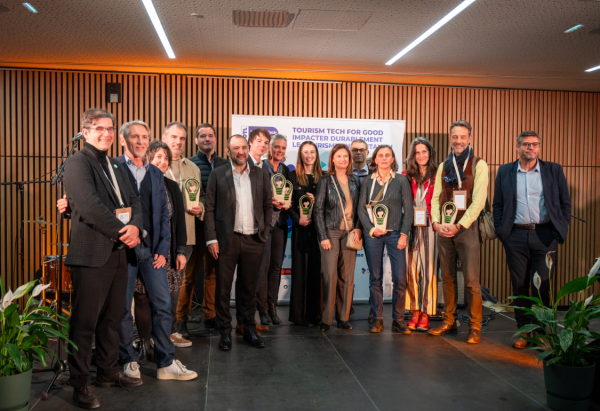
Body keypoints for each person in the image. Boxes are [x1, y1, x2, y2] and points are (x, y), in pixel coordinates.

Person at [62, 109, 143, 409]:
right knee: (85, 322)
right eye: (99, 128)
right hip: (92, 255)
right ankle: (81, 383)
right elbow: (90, 206)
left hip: (118, 253)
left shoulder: (116, 165)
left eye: (110, 129)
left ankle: (108, 371)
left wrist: (137, 228)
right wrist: (125, 231)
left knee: (112, 318)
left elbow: (134, 200)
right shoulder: (77, 162)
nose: (106, 133)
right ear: (85, 131)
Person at [114, 121, 197, 381]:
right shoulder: (113, 168)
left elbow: (164, 216)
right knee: (123, 309)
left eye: (144, 137)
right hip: (123, 250)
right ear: (124, 139)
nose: (140, 141)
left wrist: (163, 249)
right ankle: (129, 360)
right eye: (135, 136)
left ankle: (165, 362)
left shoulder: (156, 174)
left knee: (162, 304)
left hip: (152, 253)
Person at [493, 130, 571, 349]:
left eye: (535, 144)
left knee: (542, 287)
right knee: (519, 286)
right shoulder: (505, 171)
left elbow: (565, 202)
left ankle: (539, 331)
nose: (531, 148)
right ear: (517, 147)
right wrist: (502, 231)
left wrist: (560, 226)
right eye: (526, 144)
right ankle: (522, 332)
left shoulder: (553, 170)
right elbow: (498, 204)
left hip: (545, 236)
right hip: (515, 236)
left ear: (539, 147)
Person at [204, 135, 273, 350]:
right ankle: (224, 332)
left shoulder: (260, 174)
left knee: (248, 287)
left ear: (248, 147)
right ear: (228, 151)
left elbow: (268, 205)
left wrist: (266, 231)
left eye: (244, 147)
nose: (241, 151)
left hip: (254, 239)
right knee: (223, 288)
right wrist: (211, 238)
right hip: (227, 239)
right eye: (236, 148)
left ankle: (248, 328)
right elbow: (209, 209)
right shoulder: (218, 174)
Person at [429, 120, 489, 344]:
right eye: (455, 137)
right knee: (447, 278)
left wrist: (459, 225)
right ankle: (449, 321)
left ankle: (474, 327)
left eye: (463, 137)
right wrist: (436, 223)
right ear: (450, 138)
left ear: (470, 138)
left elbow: (479, 201)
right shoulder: (444, 166)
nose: (459, 141)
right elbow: (436, 198)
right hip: (443, 229)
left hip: (466, 229)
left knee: (472, 281)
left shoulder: (479, 165)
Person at [133, 141, 188, 363]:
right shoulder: (138, 183)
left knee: (163, 302)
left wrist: (181, 250)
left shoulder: (172, 186)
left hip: (167, 250)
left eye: (166, 158)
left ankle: (160, 342)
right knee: (143, 297)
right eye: (158, 157)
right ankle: (144, 342)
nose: (163, 162)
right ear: (148, 158)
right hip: (144, 249)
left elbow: (180, 223)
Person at [358, 145, 413, 334]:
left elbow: (409, 210)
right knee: (375, 278)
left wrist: (404, 234)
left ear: (392, 159)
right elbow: (360, 209)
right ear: (374, 159)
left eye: (387, 155)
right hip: (373, 235)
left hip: (395, 233)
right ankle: (378, 318)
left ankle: (398, 319)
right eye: (380, 155)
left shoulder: (401, 180)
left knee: (399, 278)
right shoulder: (368, 181)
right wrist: (371, 229)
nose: (383, 158)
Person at [162, 122, 206, 339]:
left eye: (182, 138)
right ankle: (156, 333)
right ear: (164, 137)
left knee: (176, 286)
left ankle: (172, 331)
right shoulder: (155, 164)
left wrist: (201, 209)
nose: (178, 142)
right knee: (159, 287)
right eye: (173, 137)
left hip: (186, 235)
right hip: (160, 236)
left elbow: (202, 197)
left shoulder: (193, 168)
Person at [314, 144, 362, 332]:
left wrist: (358, 229)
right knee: (329, 276)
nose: (342, 159)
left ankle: (343, 317)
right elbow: (318, 210)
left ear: (349, 160)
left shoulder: (355, 181)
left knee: (347, 277)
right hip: (331, 232)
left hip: (350, 233)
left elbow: (360, 209)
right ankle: (326, 319)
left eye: (345, 156)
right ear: (332, 159)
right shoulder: (326, 181)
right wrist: (322, 236)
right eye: (339, 156)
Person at [239, 127, 281, 330]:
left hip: (262, 230)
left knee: (258, 274)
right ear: (250, 143)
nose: (263, 145)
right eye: (259, 141)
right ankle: (244, 321)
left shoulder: (264, 167)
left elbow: (265, 200)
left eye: (266, 142)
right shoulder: (241, 163)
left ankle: (252, 318)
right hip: (243, 231)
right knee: (247, 278)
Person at [188, 123, 229, 329]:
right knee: (190, 275)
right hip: (195, 226)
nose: (207, 138)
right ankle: (181, 318)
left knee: (212, 274)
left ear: (215, 139)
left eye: (210, 135)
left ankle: (209, 315)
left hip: (217, 227)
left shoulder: (225, 164)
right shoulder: (190, 164)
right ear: (196, 140)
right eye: (202, 136)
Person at [402, 137, 439, 332]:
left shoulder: (438, 175)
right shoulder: (406, 176)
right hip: (410, 226)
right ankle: (414, 309)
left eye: (424, 151)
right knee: (411, 270)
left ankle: (426, 311)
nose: (421, 155)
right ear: (412, 155)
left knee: (429, 270)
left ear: (430, 153)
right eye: (417, 152)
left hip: (431, 226)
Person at [288, 141, 323, 326]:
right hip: (300, 229)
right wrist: (296, 219)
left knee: (315, 271)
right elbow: (288, 204)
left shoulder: (323, 178)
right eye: (305, 152)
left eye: (311, 152)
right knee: (300, 270)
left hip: (318, 231)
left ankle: (313, 315)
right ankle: (298, 316)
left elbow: (327, 205)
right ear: (300, 155)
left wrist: (317, 201)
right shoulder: (292, 176)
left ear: (316, 154)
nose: (308, 155)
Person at [259, 134, 291, 325]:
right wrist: (268, 201)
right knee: (263, 267)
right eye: (276, 147)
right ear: (269, 147)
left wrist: (288, 204)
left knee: (276, 266)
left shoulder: (286, 170)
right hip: (264, 223)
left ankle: (272, 306)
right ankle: (261, 308)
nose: (280, 150)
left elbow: (289, 193)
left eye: (283, 148)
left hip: (280, 224)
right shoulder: (261, 167)